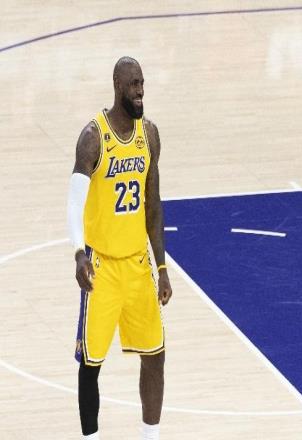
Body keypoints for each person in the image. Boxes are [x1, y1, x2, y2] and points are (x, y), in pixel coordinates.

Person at [67, 56, 173, 440]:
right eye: (133, 84)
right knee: (91, 363)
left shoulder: (150, 135)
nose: (140, 90)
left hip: (137, 264)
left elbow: (153, 206)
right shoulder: (93, 137)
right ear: (117, 86)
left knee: (155, 355)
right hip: (102, 267)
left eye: (142, 82)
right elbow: (74, 202)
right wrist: (79, 252)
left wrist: (162, 268)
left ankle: (150, 437)